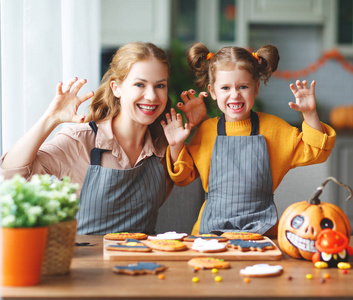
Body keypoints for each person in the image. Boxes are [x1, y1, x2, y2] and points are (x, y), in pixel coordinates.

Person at [0, 42, 207, 235]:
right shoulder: (81, 140)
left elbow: (197, 172)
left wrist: (200, 124)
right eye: (139, 85)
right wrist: (50, 119)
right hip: (88, 268)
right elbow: (10, 177)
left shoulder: (164, 145)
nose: (152, 96)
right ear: (116, 88)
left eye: (159, 85)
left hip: (143, 266)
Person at [161, 42, 336, 236]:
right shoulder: (206, 130)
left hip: (262, 234)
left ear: (256, 89)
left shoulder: (274, 128)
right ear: (212, 91)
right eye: (225, 87)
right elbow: (184, 177)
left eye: (243, 86)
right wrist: (176, 145)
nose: (235, 95)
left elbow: (316, 152)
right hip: (210, 235)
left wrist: (310, 114)